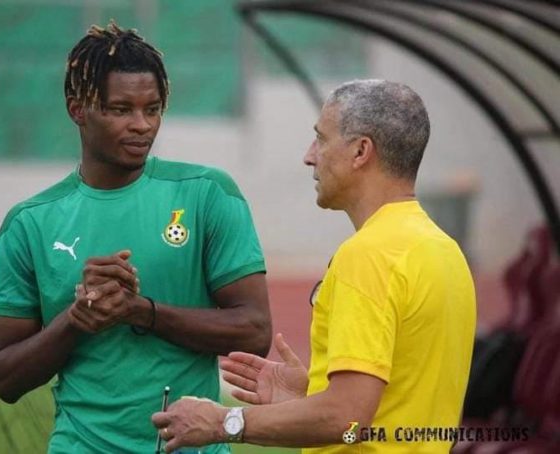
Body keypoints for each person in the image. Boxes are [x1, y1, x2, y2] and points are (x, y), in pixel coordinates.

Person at [0, 21, 271, 453]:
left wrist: (143, 312)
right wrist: (77, 319)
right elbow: (4, 377)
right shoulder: (30, 223)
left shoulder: (207, 194)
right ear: (77, 109)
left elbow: (254, 330)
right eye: (121, 110)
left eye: (152, 109)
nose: (142, 125)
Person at [152, 79, 476, 453]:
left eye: (321, 139)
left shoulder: (368, 255)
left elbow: (346, 418)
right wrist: (312, 393)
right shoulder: (444, 251)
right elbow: (387, 409)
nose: (309, 155)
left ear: (360, 151)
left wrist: (224, 421)